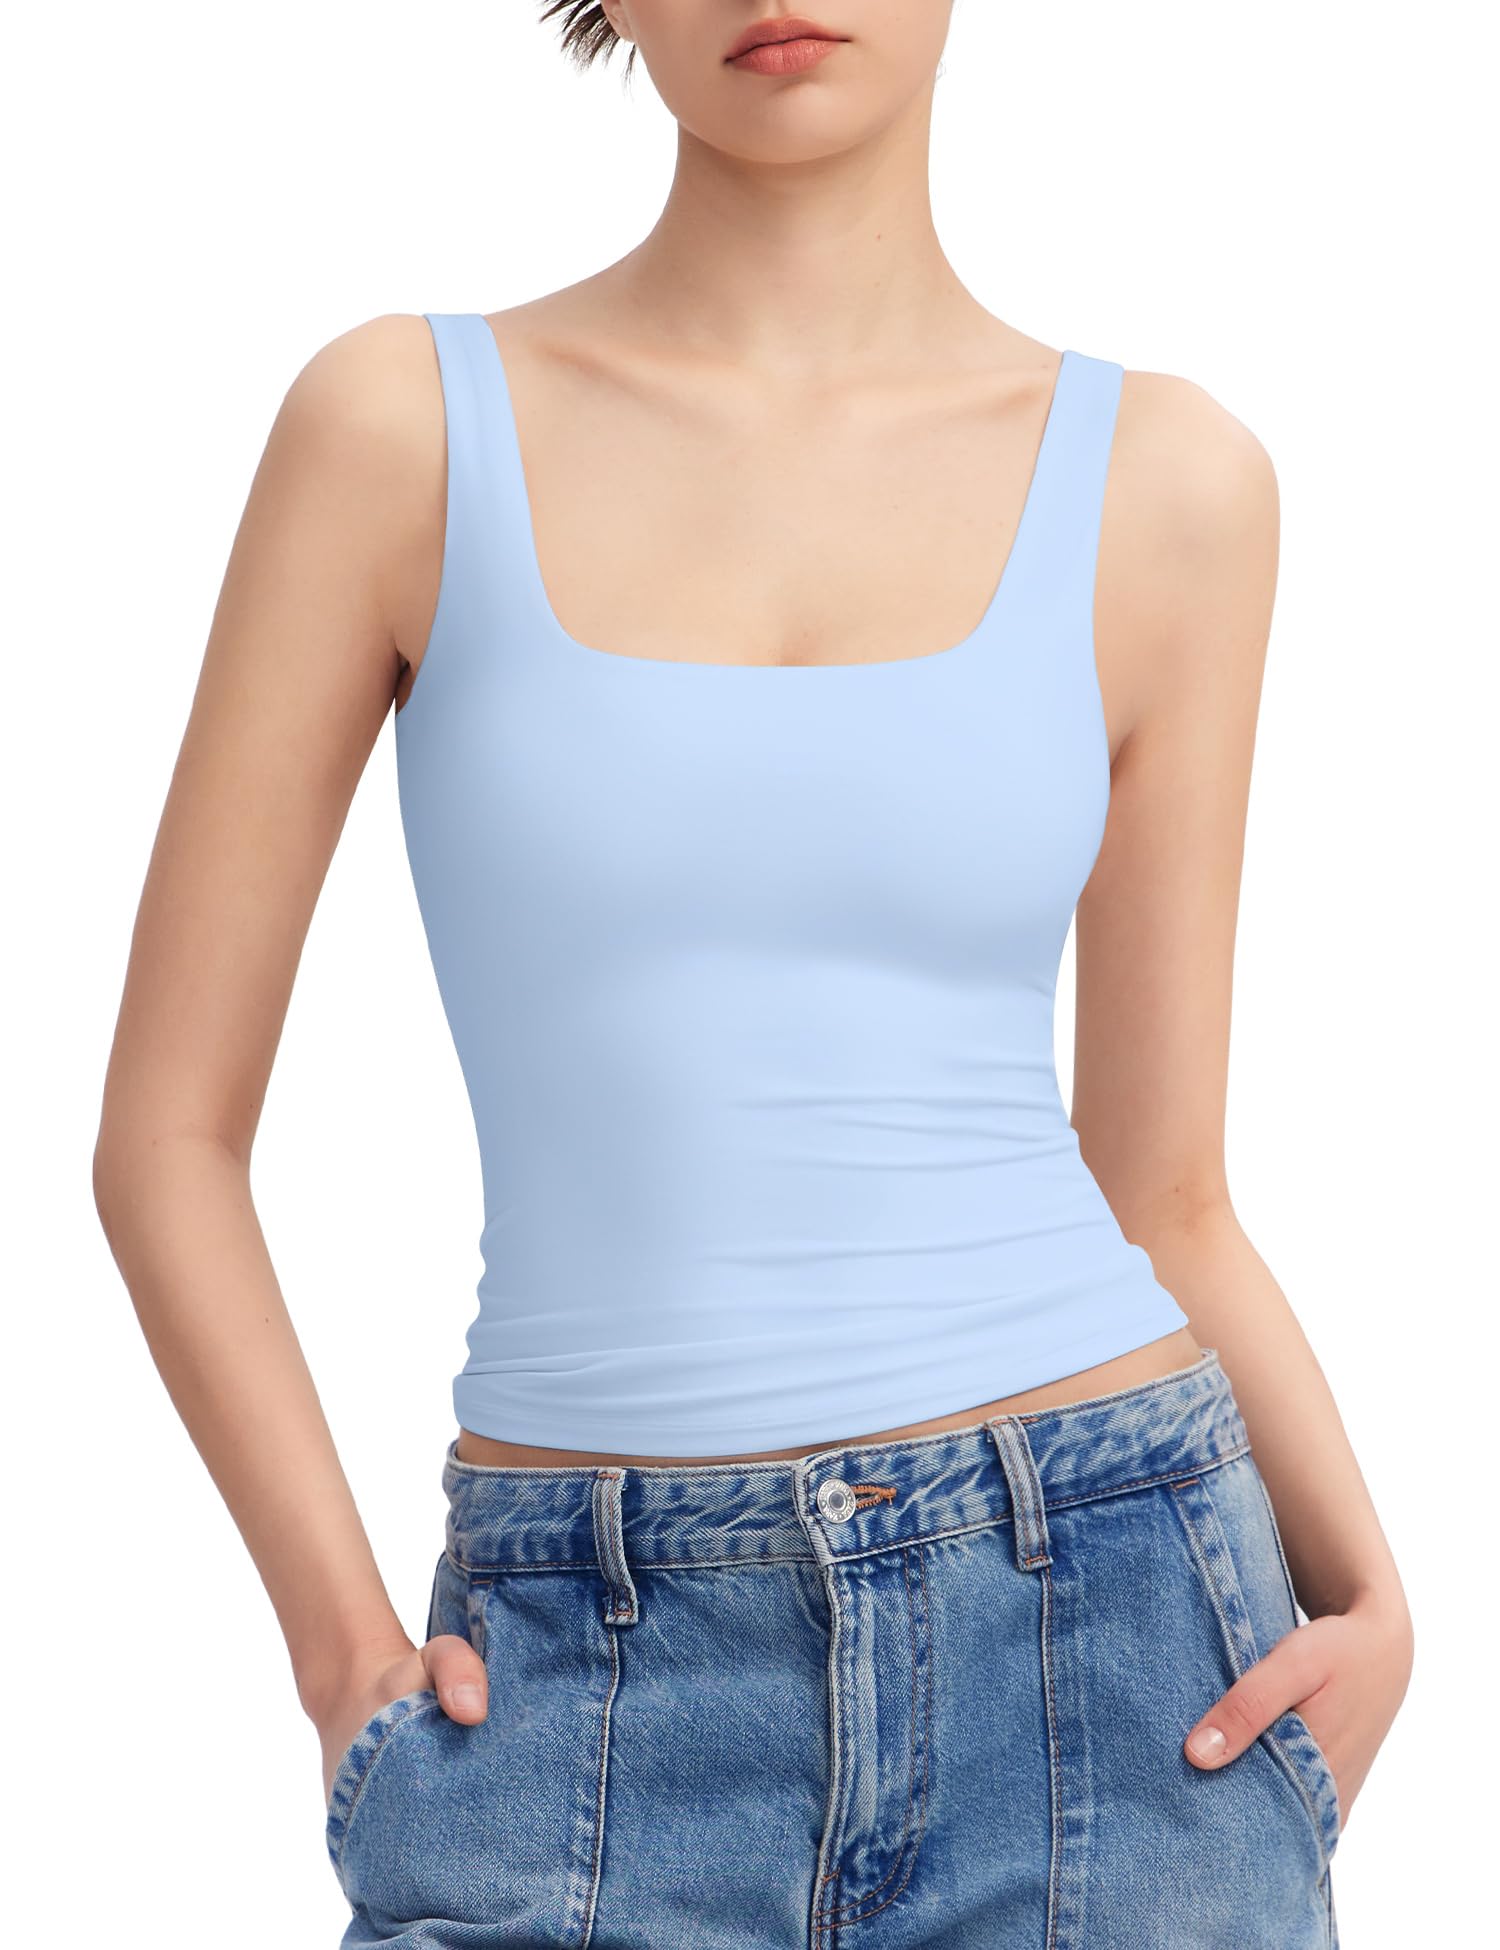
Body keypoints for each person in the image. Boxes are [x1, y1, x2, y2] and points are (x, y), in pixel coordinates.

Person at [92, 4, 1414, 1944]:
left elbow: (1166, 1184)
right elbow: (167, 1139)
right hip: (582, 1666)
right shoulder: (401, 430)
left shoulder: (1171, 484)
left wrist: (1372, 1595)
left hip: (1103, 1631)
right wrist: (339, 1657)